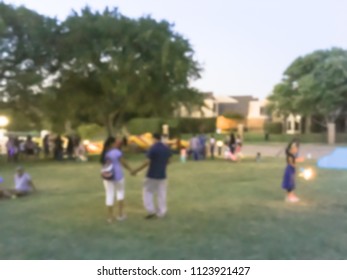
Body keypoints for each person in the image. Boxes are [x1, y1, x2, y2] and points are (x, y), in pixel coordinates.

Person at [132, 133, 172, 219]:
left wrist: (136, 170)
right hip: (162, 174)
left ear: (154, 139)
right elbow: (169, 161)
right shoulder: (166, 148)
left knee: (148, 192)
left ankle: (151, 210)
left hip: (152, 174)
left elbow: (147, 162)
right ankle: (162, 212)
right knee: (162, 193)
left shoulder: (153, 148)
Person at [100, 136, 133, 223]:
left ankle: (110, 217)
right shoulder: (116, 152)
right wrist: (131, 170)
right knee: (120, 193)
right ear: (112, 143)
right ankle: (120, 214)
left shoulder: (104, 153)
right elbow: (123, 163)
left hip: (107, 176)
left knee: (109, 194)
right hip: (118, 175)